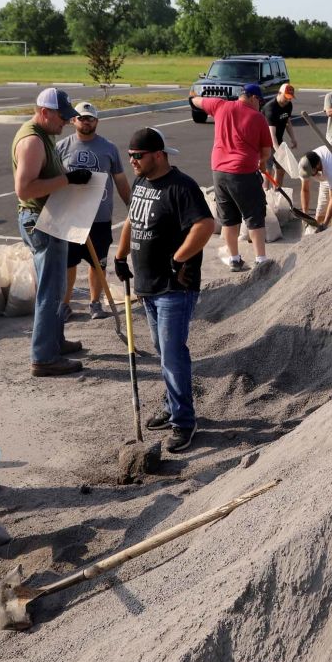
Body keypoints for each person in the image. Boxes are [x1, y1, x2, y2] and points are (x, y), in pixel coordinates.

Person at [112, 128, 214, 453]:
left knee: (172, 353)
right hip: (148, 286)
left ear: (158, 154)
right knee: (161, 350)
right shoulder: (142, 183)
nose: (132, 161)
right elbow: (131, 219)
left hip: (174, 287)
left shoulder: (181, 187)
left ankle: (184, 422)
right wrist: (120, 255)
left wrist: (178, 258)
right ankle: (172, 406)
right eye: (130, 156)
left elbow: (205, 225)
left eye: (137, 156)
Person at [11, 87, 91, 376]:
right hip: (39, 220)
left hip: (48, 218)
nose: (66, 122)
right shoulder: (33, 141)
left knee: (57, 287)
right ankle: (44, 357)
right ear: (44, 112)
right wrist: (67, 180)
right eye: (61, 117)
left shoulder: (42, 134)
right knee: (50, 289)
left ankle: (54, 341)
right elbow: (25, 188)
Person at [57, 101, 130, 320]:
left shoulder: (108, 148)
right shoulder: (61, 147)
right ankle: (64, 304)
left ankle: (95, 303)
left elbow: (120, 180)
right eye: (81, 118)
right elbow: (52, 180)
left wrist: (131, 205)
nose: (85, 121)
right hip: (71, 219)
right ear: (73, 121)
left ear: (96, 121)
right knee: (68, 263)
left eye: (90, 118)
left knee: (98, 263)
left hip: (99, 218)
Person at [188, 83, 273, 271]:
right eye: (260, 101)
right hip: (243, 172)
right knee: (254, 215)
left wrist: (192, 96)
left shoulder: (220, 106)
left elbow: (196, 101)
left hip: (219, 171)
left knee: (228, 218)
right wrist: (259, 161)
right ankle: (261, 260)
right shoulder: (258, 118)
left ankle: (234, 259)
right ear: (252, 97)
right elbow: (266, 152)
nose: (260, 105)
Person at [261, 82, 299, 189]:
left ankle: (277, 193)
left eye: (290, 98)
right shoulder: (270, 108)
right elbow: (271, 134)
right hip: (265, 142)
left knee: (281, 169)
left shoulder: (288, 105)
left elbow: (287, 121)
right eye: (286, 97)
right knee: (268, 171)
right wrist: (279, 151)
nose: (288, 100)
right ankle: (266, 194)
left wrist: (293, 138)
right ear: (279, 93)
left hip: (278, 140)